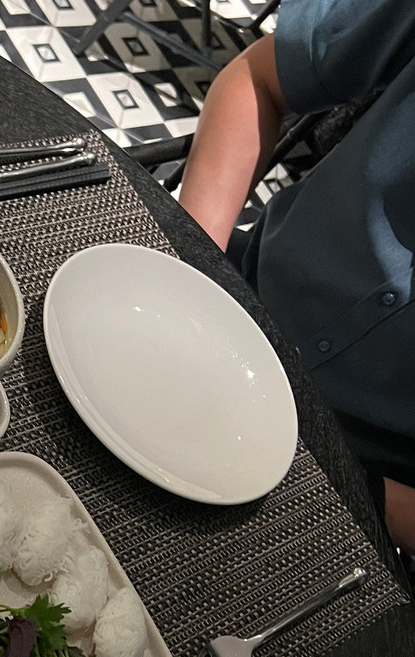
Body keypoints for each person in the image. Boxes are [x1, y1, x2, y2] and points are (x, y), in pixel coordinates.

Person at [178, 0, 415, 553]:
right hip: (233, 288)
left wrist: (350, 486)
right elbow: (258, 79)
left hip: (357, 485)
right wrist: (190, 268)